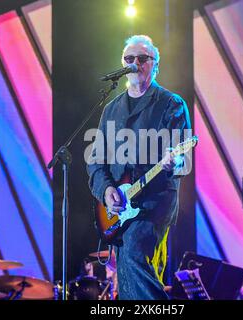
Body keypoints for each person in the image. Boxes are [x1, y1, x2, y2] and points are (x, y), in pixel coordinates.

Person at [86, 35, 191, 300]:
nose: (136, 64)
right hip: (121, 206)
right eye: (129, 59)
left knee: (133, 254)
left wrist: (173, 161)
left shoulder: (171, 104)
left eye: (143, 59)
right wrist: (106, 190)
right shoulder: (111, 109)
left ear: (155, 66)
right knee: (130, 278)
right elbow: (96, 159)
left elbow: (182, 156)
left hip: (155, 203)